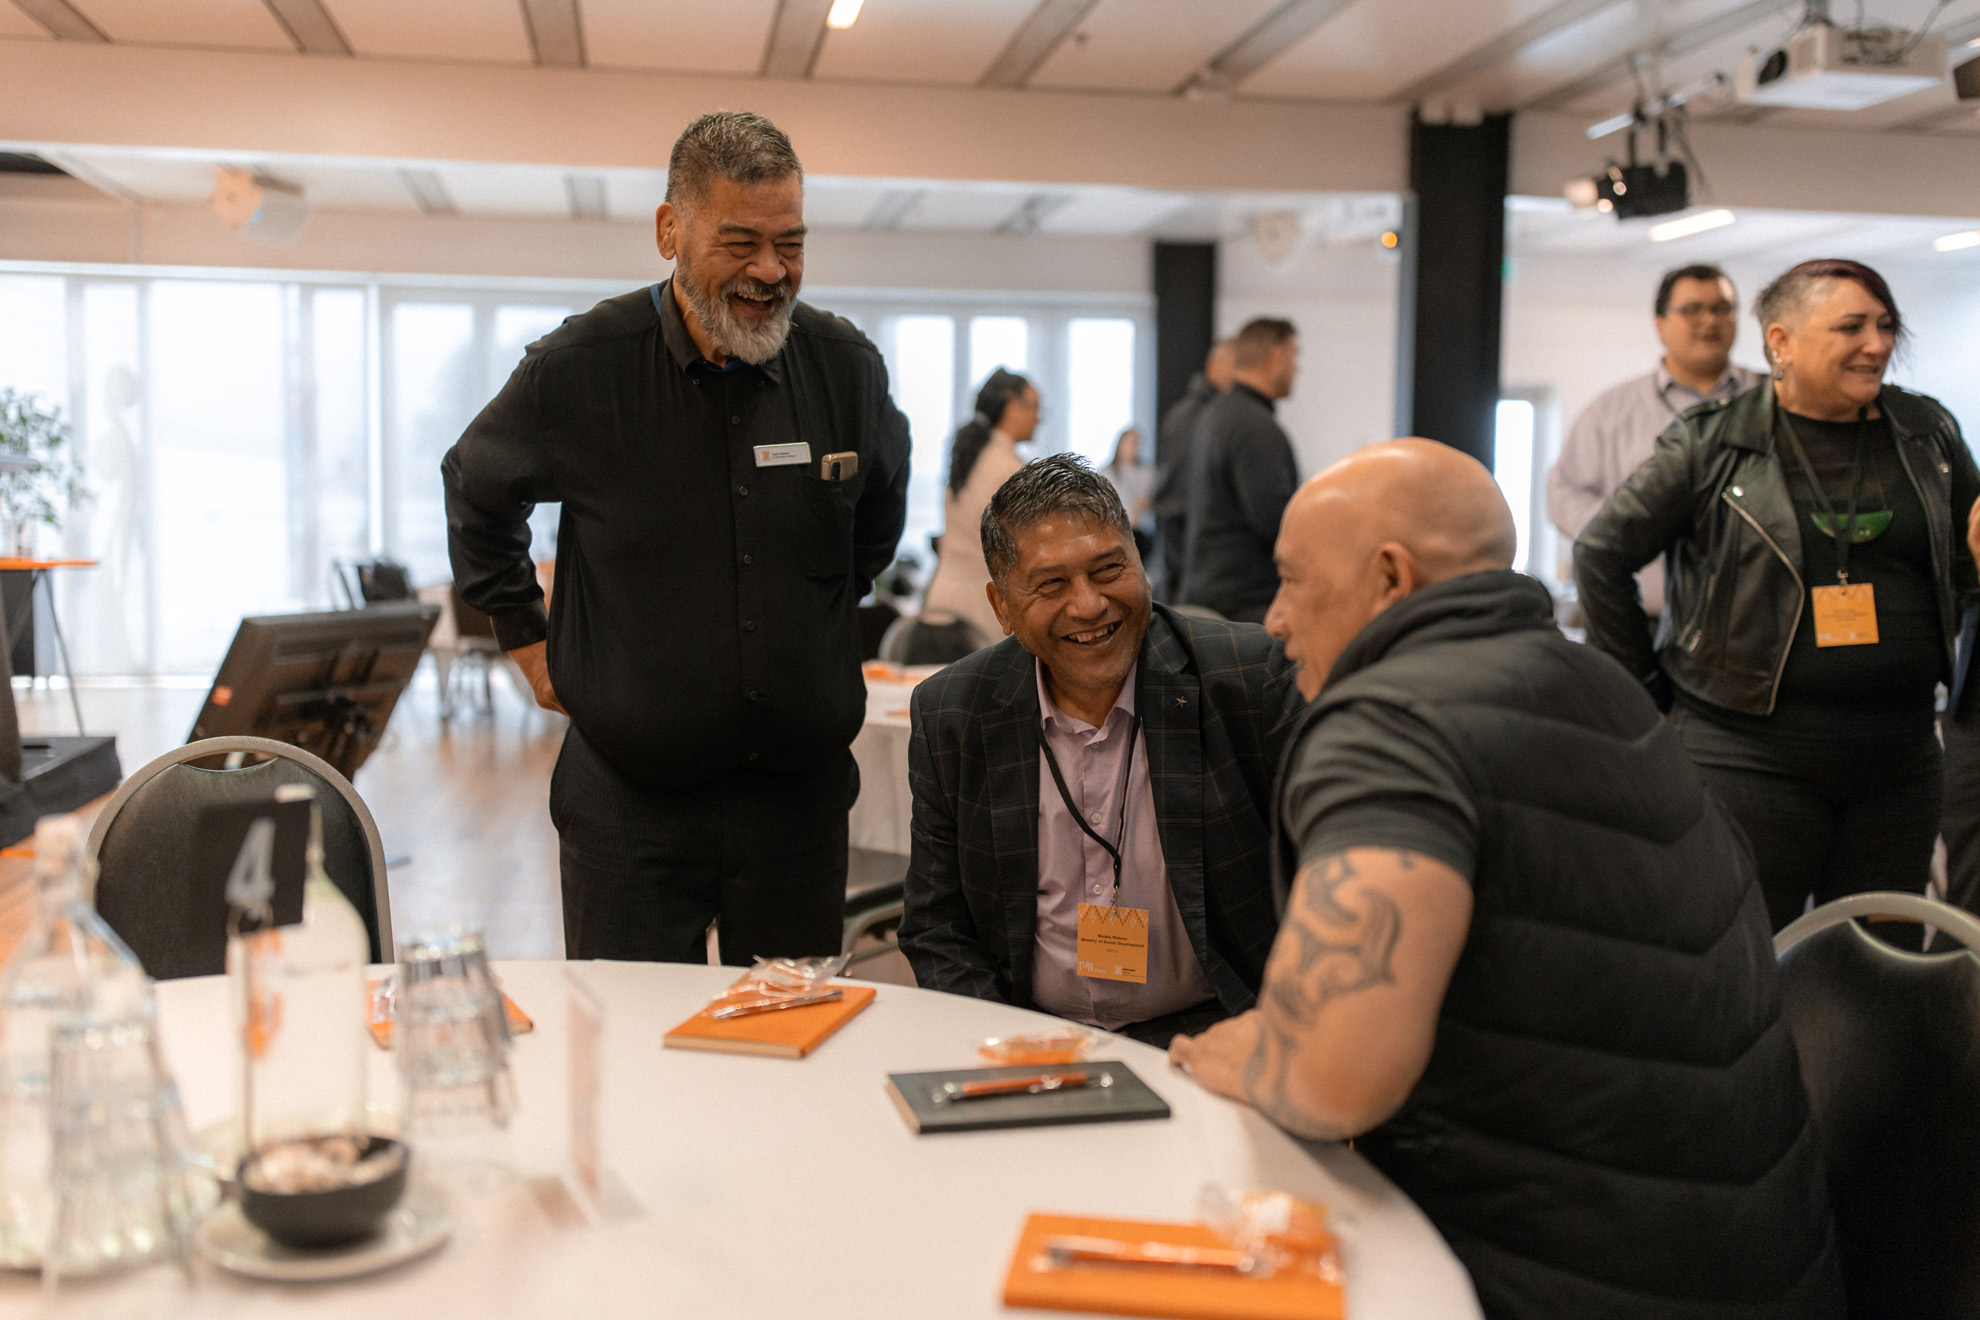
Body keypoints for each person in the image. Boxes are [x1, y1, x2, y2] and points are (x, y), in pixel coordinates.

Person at [1170, 439, 1842, 1320]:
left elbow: (1334, 1078)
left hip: (1549, 1279)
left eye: (1293, 580)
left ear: (1390, 576)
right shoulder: (1606, 688)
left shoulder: (1387, 730)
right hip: (1758, 1262)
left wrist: (1252, 1052)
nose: (1274, 620)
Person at [442, 110, 911, 964]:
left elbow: (878, 515)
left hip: (796, 813)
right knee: (631, 1039)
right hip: (629, 810)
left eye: (790, 244)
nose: (770, 271)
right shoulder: (581, 369)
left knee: (793, 1033)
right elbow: (475, 489)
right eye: (741, 243)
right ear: (670, 231)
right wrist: (528, 642)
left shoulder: (846, 369)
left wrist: (813, 604)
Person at [1576, 259, 1980, 931]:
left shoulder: (1925, 430)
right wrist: (1649, 696)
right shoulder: (1713, 441)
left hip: (1900, 755)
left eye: (1885, 326)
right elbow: (1600, 554)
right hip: (1750, 756)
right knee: (1750, 951)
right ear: (1781, 342)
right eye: (1851, 327)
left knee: (1882, 963)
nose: (1876, 344)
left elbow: (1964, 563)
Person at [898, 454, 1302, 1048]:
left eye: (1109, 569)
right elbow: (937, 925)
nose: (1088, 605)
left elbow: (1319, 888)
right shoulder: (953, 712)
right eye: (1051, 584)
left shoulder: (1249, 681)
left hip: (1213, 1032)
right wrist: (1001, 1046)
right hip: (1028, 1033)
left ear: (1142, 567)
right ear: (1001, 606)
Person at [1547, 265, 1760, 618]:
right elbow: (1563, 495)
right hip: (1644, 618)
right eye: (1692, 309)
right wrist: (1629, 534)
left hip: (1751, 617)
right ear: (1660, 323)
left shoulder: (1771, 399)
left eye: (1722, 308)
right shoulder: (1611, 411)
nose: (1710, 320)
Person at [1180, 320, 1299, 623]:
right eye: (1294, 357)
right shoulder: (1256, 427)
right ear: (1276, 357)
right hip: (1244, 604)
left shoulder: (1214, 414)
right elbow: (1276, 522)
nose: (1297, 369)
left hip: (1208, 592)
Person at [915, 369, 1037, 656]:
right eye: (1034, 407)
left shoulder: (970, 457)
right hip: (981, 610)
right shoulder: (1010, 467)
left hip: (940, 601)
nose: (1038, 418)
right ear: (1012, 406)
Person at [1152, 340, 1234, 598]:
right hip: (1191, 562)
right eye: (1234, 365)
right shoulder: (1193, 416)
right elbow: (1178, 498)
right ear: (1213, 366)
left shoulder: (1216, 413)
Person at [1101, 425, 1154, 559]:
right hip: (1116, 532)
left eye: (1136, 443)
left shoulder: (1147, 473)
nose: (1133, 448)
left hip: (1142, 532)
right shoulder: (1106, 473)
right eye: (1129, 443)